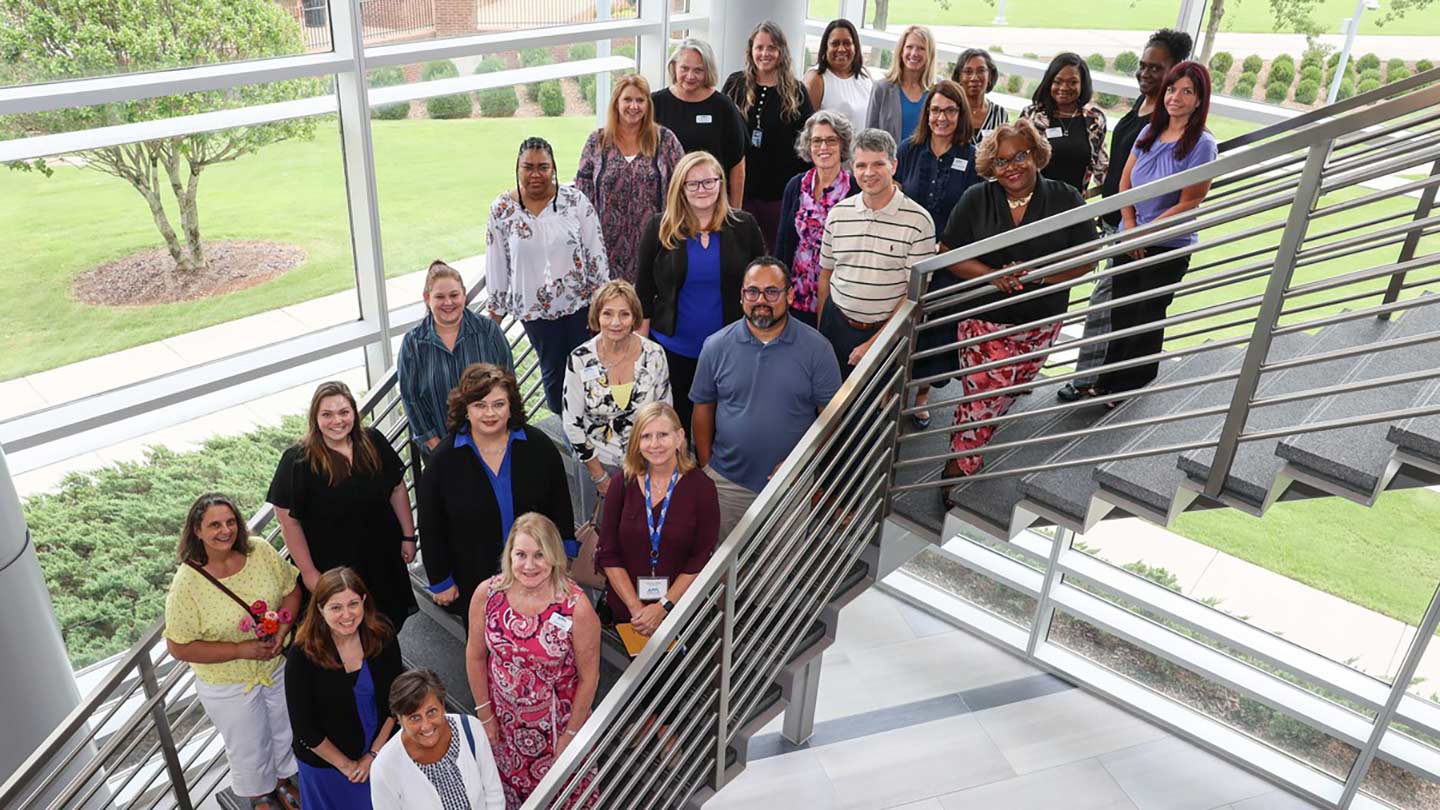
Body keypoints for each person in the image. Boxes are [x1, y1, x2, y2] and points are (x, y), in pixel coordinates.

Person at [937, 120, 1098, 486]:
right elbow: (948, 253)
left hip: (1039, 324)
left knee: (1002, 395)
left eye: (1020, 156)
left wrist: (1039, 275)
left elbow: (1088, 259)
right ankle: (958, 466)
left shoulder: (1066, 197)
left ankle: (969, 447)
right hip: (984, 321)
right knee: (982, 399)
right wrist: (990, 275)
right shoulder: (977, 198)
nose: (1012, 167)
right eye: (1001, 161)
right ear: (990, 168)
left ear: (1036, 155)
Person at [1059, 29, 1192, 403]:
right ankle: (1103, 380)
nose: (1146, 73)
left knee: (1106, 304)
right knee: (1113, 305)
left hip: (1137, 229)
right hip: (1117, 220)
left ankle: (1089, 380)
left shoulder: (1168, 119)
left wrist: (1135, 228)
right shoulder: (1142, 105)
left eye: (1157, 68)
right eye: (1143, 65)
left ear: (1177, 71)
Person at [164, 493, 302, 810]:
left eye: (230, 522)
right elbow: (179, 646)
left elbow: (291, 590)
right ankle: (260, 797)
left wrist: (282, 629)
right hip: (228, 684)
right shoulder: (187, 583)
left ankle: (282, 785)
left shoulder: (261, 552)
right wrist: (240, 649)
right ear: (197, 531)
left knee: (284, 730)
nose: (225, 530)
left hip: (274, 667)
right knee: (248, 747)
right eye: (214, 525)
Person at [691, 258, 842, 538]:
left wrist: (803, 463)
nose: (761, 300)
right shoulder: (715, 346)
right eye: (752, 291)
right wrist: (706, 466)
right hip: (726, 484)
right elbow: (703, 406)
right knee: (719, 568)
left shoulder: (818, 350)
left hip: (789, 483)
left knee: (779, 570)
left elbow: (831, 417)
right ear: (741, 296)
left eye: (772, 292)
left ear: (790, 295)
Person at [1093, 61, 1218, 399]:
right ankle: (1106, 385)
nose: (1176, 96)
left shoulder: (1202, 144)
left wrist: (1144, 234)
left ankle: (1129, 390)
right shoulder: (1149, 133)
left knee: (1145, 319)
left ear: (1198, 99)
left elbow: (1191, 200)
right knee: (1121, 314)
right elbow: (1124, 183)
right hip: (1130, 236)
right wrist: (1131, 227)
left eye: (1187, 91)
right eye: (1172, 89)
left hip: (1166, 245)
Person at [418, 363, 575, 618]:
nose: (490, 413)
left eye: (498, 404)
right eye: (480, 405)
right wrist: (440, 580)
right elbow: (430, 524)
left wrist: (566, 553)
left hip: (537, 570)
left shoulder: (539, 447)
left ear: (511, 406)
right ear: (465, 410)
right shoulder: (443, 461)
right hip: (474, 577)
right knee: (483, 649)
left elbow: (560, 503)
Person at [466, 512, 601, 808]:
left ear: (554, 556)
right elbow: (475, 656)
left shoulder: (576, 608)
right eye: (521, 554)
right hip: (504, 726)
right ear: (509, 555)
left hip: (557, 729)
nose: (529, 565)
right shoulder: (487, 594)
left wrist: (571, 735)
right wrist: (485, 715)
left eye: (539, 555)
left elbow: (590, 678)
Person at [269, 381, 417, 632]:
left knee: (387, 624)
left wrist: (408, 536)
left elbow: (397, 488)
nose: (337, 421)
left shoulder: (372, 441)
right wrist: (309, 572)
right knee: (345, 630)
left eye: (343, 412)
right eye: (327, 414)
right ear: (315, 418)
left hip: (382, 558)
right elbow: (287, 520)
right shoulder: (297, 460)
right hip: (333, 568)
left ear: (354, 413)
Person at [635, 151, 767, 432]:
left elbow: (763, 287)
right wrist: (640, 351)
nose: (702, 189)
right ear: (680, 188)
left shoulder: (744, 226)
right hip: (672, 349)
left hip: (730, 351)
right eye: (692, 183)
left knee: (724, 427)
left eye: (709, 181)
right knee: (675, 427)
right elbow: (643, 293)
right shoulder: (659, 227)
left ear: (721, 183)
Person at [485, 136, 609, 416]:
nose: (535, 174)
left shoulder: (575, 201)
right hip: (535, 313)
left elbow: (595, 252)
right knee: (553, 372)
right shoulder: (502, 209)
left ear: (554, 168)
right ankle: (567, 430)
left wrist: (602, 304)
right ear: (517, 168)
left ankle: (594, 426)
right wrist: (494, 314)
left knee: (588, 368)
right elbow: (497, 262)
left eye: (543, 166)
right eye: (528, 167)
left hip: (580, 307)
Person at [817, 127, 936, 379]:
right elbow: (825, 275)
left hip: (885, 331)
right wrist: (820, 333)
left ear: (893, 165)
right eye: (861, 165)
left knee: (871, 410)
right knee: (826, 401)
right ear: (852, 168)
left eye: (878, 164)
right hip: (835, 322)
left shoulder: (919, 222)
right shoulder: (838, 214)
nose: (868, 173)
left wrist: (873, 344)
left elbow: (914, 296)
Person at [896, 80, 980, 429]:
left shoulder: (972, 158)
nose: (941, 117)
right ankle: (893, 389)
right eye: (935, 110)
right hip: (905, 258)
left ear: (960, 114)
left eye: (949, 110)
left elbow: (977, 210)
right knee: (901, 324)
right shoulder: (909, 149)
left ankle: (921, 395)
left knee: (934, 330)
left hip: (947, 260)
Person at [285, 567, 402, 810]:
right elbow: (304, 726)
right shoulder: (302, 653)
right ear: (320, 609)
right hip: (328, 764)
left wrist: (373, 756)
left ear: (364, 602)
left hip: (380, 750)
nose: (347, 615)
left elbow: (396, 702)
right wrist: (348, 767)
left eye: (353, 604)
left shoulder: (382, 635)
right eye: (336, 607)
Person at [596, 401, 719, 627]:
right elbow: (608, 552)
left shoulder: (703, 488)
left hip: (679, 611)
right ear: (636, 442)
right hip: (628, 613)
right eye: (646, 436)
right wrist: (636, 609)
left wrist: (663, 607)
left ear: (680, 437)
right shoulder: (622, 483)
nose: (654, 444)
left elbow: (701, 558)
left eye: (663, 435)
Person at [563, 280, 672, 511]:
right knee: (598, 538)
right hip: (595, 463)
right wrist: (600, 477)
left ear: (635, 317)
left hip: (645, 462)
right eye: (608, 314)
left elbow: (665, 414)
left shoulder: (654, 354)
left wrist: (656, 464)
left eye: (624, 314)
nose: (615, 322)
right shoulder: (579, 359)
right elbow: (572, 423)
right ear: (596, 316)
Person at [575, 74, 686, 285]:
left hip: (655, 246)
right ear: (616, 102)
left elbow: (682, 187)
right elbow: (582, 195)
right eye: (627, 99)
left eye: (640, 100)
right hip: (604, 249)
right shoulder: (596, 142)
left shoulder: (666, 141)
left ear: (648, 105)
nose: (633, 106)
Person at [398, 260, 515, 455]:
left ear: (464, 294)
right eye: (440, 297)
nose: (448, 303)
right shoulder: (413, 344)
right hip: (441, 452)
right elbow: (411, 401)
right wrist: (439, 449)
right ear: (427, 298)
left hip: (494, 447)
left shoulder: (488, 331)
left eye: (454, 295)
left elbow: (509, 383)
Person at [722, 21, 814, 247]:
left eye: (771, 48)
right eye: (759, 47)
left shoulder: (797, 90)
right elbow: (722, 135)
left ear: (781, 51)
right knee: (738, 249)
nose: (765, 53)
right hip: (740, 191)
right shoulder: (735, 84)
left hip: (779, 195)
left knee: (773, 252)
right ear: (751, 50)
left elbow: (806, 143)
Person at [370, 669, 506, 810]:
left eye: (431, 712)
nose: (426, 726)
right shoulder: (384, 768)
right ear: (399, 719)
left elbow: (493, 793)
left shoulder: (471, 728)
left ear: (442, 705)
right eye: (414, 718)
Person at [775, 111, 859, 328]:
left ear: (842, 145)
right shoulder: (796, 185)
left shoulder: (856, 190)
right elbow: (783, 242)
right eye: (817, 141)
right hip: (798, 292)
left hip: (837, 296)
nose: (824, 147)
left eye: (831, 140)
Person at [651, 38, 748, 210]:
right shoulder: (656, 103)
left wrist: (735, 211)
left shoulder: (722, 106)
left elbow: (737, 164)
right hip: (667, 205)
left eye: (698, 70)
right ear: (674, 66)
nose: (690, 76)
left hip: (711, 203)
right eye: (684, 68)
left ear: (708, 71)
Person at [1019, 53, 1108, 195]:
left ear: (1082, 84)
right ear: (1049, 82)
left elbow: (1101, 168)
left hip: (1074, 204)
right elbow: (1018, 163)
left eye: (1072, 82)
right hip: (1035, 204)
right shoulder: (1032, 116)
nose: (1064, 88)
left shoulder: (1094, 119)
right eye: (1058, 81)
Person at [866, 25, 936, 144]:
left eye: (921, 48)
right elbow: (869, 136)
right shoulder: (882, 89)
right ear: (901, 50)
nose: (914, 53)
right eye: (909, 47)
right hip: (889, 160)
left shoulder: (935, 92)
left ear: (930, 54)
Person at [804, 19, 873, 129]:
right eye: (835, 44)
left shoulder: (865, 74)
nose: (841, 49)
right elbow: (805, 129)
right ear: (826, 47)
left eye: (847, 43)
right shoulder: (816, 79)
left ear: (855, 46)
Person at [952, 48, 1008, 144]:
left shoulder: (1000, 114)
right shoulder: (950, 110)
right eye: (968, 72)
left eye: (981, 71)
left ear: (990, 76)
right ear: (959, 77)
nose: (974, 78)